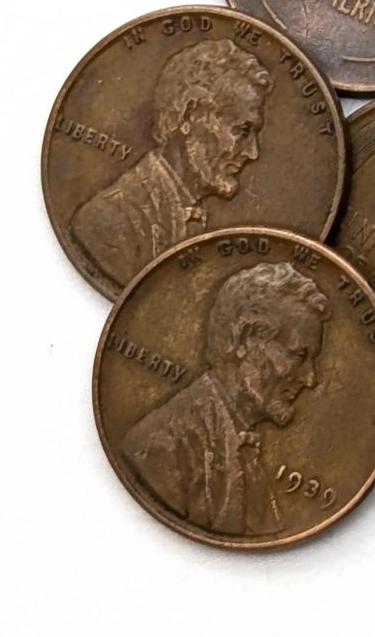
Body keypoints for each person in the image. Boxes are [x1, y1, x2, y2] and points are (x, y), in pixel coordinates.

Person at [122, 261, 327, 537]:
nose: (310, 379)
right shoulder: (162, 446)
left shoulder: (239, 441)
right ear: (244, 340)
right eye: (299, 356)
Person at [70, 39, 269, 290]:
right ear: (189, 114)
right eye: (241, 130)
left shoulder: (191, 215)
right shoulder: (105, 222)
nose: (253, 152)